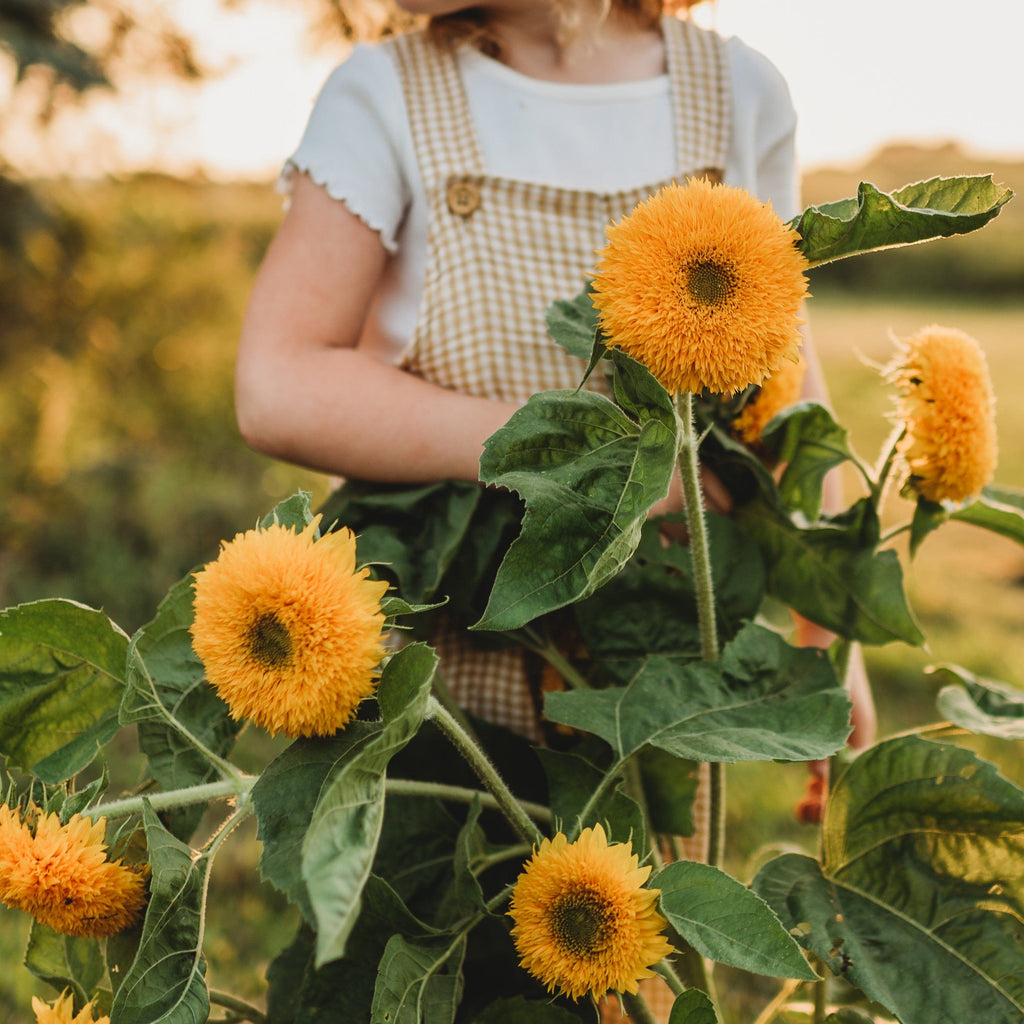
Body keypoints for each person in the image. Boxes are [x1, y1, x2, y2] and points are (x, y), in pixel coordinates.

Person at [236, 0, 873, 864]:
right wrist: (586, 463)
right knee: (466, 936)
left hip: (665, 668)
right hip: (457, 657)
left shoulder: (738, 93)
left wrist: (833, 633)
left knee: (647, 945)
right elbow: (279, 383)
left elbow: (787, 367)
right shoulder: (387, 93)